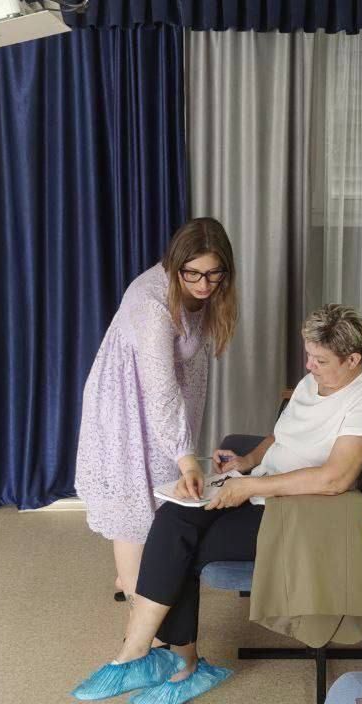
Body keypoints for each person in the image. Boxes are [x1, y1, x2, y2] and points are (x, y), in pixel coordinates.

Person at [71, 304, 362, 703]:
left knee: (183, 547)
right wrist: (247, 462)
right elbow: (282, 435)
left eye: (320, 360)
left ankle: (176, 664)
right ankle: (143, 652)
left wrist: (250, 486)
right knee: (174, 514)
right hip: (263, 489)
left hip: (304, 512)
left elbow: (336, 478)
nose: (309, 365)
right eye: (308, 354)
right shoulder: (314, 381)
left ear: (353, 360)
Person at [73, 217, 238, 615]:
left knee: (163, 496)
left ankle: (131, 579)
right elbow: (160, 388)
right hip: (126, 405)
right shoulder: (152, 304)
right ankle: (137, 601)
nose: (204, 285)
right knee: (135, 499)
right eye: (193, 274)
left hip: (162, 404)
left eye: (214, 274)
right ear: (175, 265)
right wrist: (186, 456)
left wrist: (184, 451)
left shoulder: (204, 291)